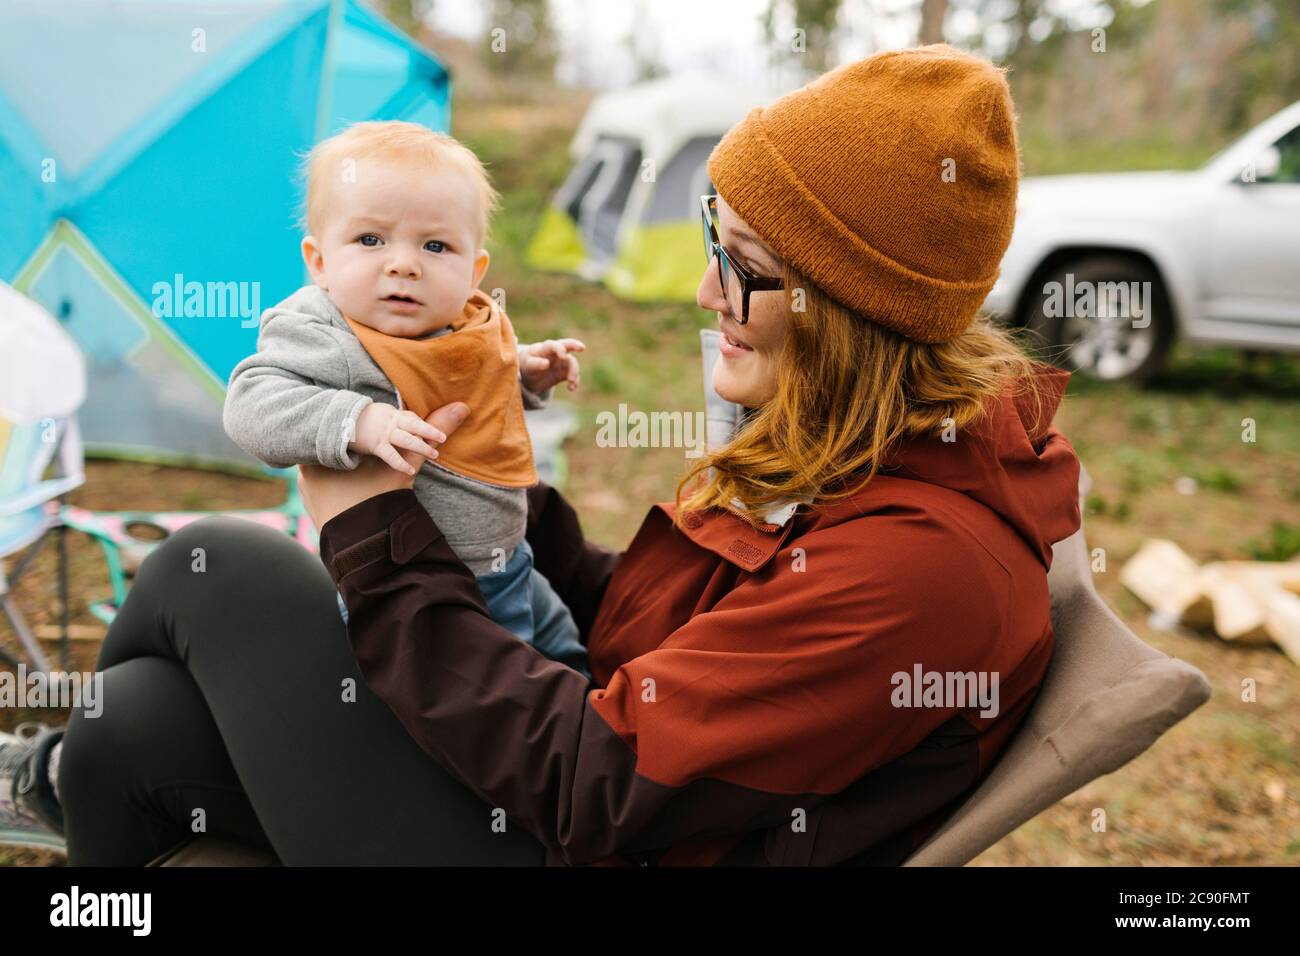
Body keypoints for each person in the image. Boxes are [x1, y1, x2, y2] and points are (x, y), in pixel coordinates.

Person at [4, 44, 1081, 866]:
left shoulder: (923, 572)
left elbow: (597, 779)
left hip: (558, 839)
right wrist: (489, 484)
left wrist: (375, 524)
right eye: (715, 244)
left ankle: (41, 770)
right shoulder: (875, 464)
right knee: (129, 730)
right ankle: (57, 776)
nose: (710, 295)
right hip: (545, 804)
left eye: (742, 265)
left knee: (226, 569)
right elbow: (672, 643)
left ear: (851, 308)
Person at [222, 119, 589, 675]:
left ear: (474, 271)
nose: (403, 262)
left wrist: (526, 376)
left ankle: (598, 725)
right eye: (370, 239)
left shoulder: (464, 325)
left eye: (436, 245)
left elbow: (470, 390)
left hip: (507, 561)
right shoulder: (327, 332)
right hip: (415, 583)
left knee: (565, 651)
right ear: (319, 261)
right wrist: (359, 421)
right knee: (493, 690)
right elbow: (251, 405)